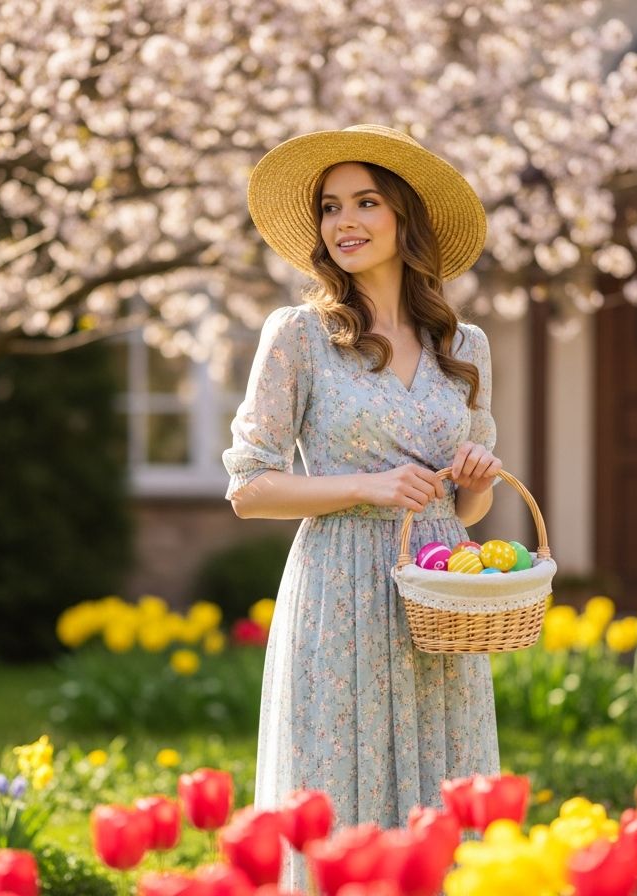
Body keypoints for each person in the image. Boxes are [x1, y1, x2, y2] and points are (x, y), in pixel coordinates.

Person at [223, 124, 503, 882]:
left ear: (404, 218)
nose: (343, 221)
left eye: (366, 202)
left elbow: (469, 511)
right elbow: (249, 486)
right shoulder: (300, 336)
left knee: (442, 808)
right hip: (338, 595)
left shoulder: (465, 345)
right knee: (337, 801)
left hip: (442, 600)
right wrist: (366, 487)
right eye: (330, 207)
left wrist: (474, 473)